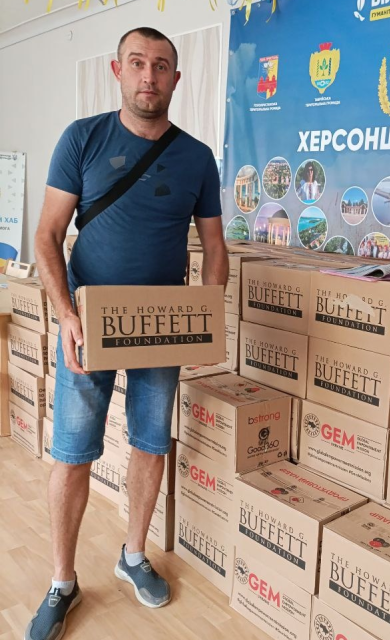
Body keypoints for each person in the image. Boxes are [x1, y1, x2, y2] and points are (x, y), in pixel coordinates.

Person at [27, 27, 228, 640]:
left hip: (161, 327)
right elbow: (47, 236)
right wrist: (65, 315)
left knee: (150, 441)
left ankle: (133, 555)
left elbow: (215, 247)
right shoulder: (82, 138)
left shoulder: (197, 157)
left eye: (161, 66)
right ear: (118, 71)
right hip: (88, 325)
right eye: (137, 63)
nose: (149, 75)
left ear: (175, 78)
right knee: (72, 452)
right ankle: (62, 581)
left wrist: (205, 321)